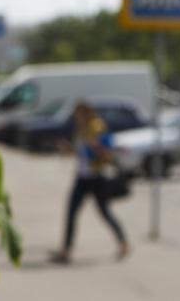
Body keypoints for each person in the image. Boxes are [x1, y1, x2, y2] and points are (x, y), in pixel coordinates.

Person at [50, 101, 129, 264]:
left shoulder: (96, 126)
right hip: (82, 177)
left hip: (96, 177)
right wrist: (68, 149)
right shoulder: (81, 129)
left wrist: (96, 147)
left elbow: (106, 150)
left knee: (104, 212)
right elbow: (81, 152)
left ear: (86, 112)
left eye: (78, 113)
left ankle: (123, 242)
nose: (76, 117)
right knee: (71, 212)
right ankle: (66, 250)